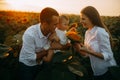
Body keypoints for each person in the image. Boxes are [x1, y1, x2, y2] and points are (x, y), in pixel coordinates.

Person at [74, 6, 117, 80]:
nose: (81, 21)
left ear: (91, 18)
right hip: (96, 72)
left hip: (107, 72)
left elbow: (108, 55)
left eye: (83, 19)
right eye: (80, 18)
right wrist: (76, 44)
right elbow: (86, 54)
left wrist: (88, 51)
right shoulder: (87, 32)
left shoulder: (100, 32)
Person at [19, 7, 59, 80]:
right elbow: (30, 57)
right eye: (54, 25)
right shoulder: (30, 34)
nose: (56, 27)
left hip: (41, 63)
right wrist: (50, 48)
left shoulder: (53, 32)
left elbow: (63, 46)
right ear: (45, 24)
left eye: (57, 24)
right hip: (27, 66)